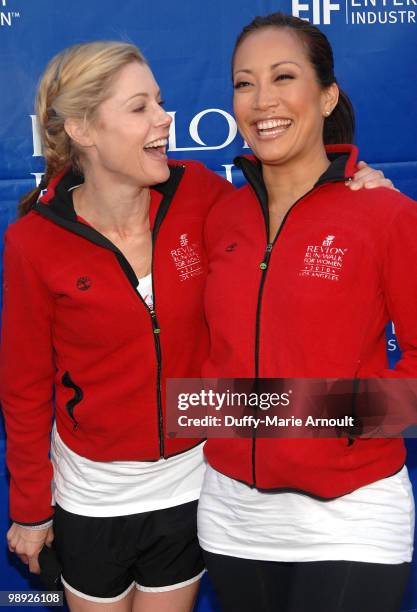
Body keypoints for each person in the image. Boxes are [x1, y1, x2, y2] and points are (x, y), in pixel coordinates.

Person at [0, 38, 393, 612]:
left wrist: (355, 183)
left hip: (196, 482)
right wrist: (31, 507)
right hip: (91, 493)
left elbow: (292, 200)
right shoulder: (34, 240)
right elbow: (25, 382)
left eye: (160, 102)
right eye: (140, 108)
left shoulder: (202, 195)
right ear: (83, 129)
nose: (164, 119)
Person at [198, 12, 416, 612]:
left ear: (326, 96)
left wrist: (326, 419)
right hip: (232, 514)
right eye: (244, 83)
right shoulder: (221, 215)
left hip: (352, 514)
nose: (261, 100)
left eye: (283, 77)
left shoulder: (386, 215)